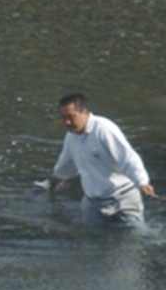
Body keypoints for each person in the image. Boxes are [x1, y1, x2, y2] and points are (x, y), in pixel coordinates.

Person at [45, 92, 154, 228]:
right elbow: (67, 161)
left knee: (136, 236)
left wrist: (142, 182)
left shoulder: (104, 129)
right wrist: (58, 176)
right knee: (93, 240)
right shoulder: (71, 137)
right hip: (93, 203)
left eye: (71, 117)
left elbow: (127, 158)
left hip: (123, 198)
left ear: (84, 112)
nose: (67, 122)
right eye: (63, 118)